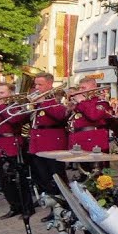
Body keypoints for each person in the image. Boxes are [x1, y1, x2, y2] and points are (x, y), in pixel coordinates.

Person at [27, 72, 70, 218]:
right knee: (44, 178)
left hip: (52, 143)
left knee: (57, 178)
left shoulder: (56, 99)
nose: (36, 88)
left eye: (40, 84)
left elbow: (60, 115)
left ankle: (65, 206)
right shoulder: (36, 101)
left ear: (50, 84)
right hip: (37, 143)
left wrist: (44, 101)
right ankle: (54, 208)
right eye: (36, 85)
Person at [0, 83, 31, 219]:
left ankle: (27, 207)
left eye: (2, 93)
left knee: (19, 179)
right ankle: (14, 206)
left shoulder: (16, 107)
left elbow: (14, 120)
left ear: (11, 94)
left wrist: (0, 107)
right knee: (4, 180)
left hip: (12, 144)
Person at [68, 77, 112, 152]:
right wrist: (69, 109)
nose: (80, 91)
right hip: (77, 139)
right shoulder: (81, 103)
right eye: (80, 88)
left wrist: (82, 101)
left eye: (83, 88)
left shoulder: (101, 102)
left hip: (93, 142)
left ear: (94, 87)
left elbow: (93, 116)